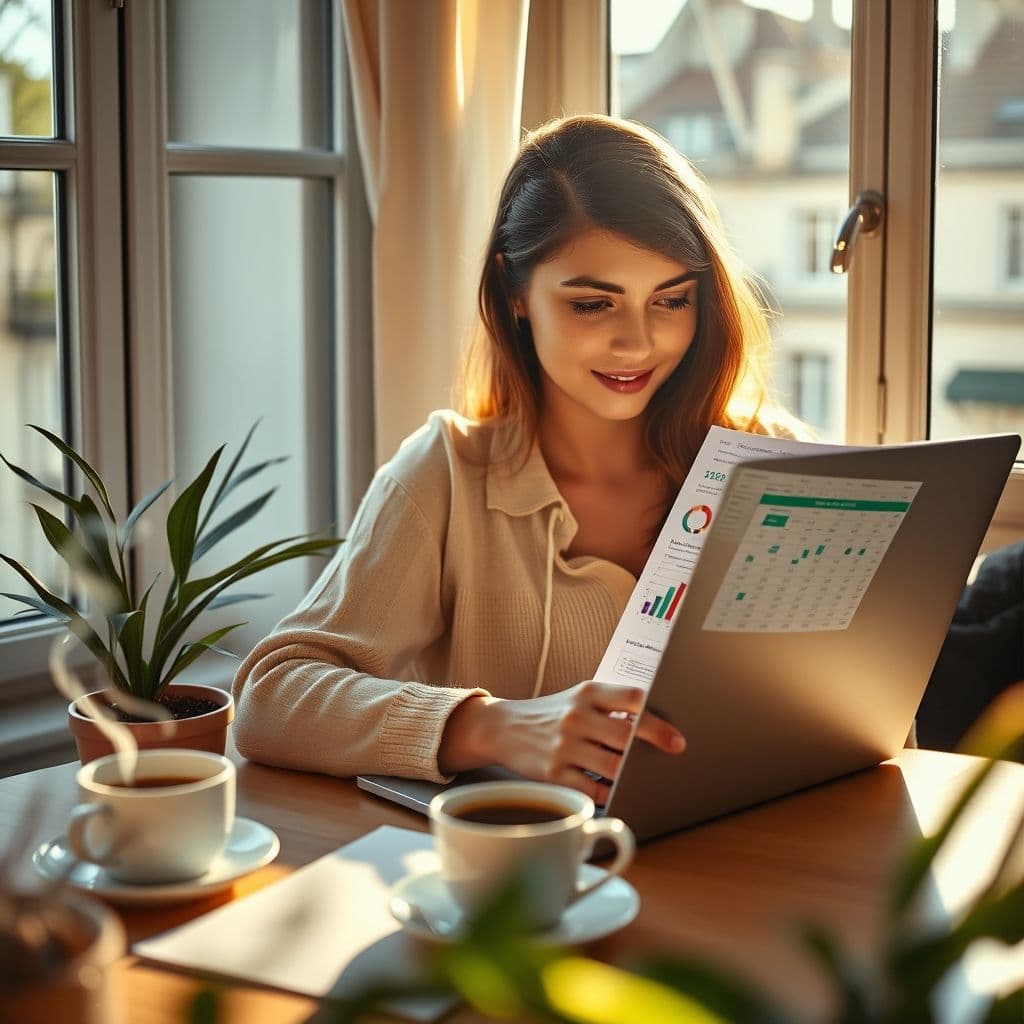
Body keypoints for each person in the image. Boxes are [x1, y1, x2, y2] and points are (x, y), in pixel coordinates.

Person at [232, 114, 797, 803]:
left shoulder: (771, 463)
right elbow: (270, 696)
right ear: (514, 292)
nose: (637, 343)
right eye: (594, 304)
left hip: (751, 867)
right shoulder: (447, 475)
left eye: (671, 300)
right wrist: (490, 727)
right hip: (525, 887)